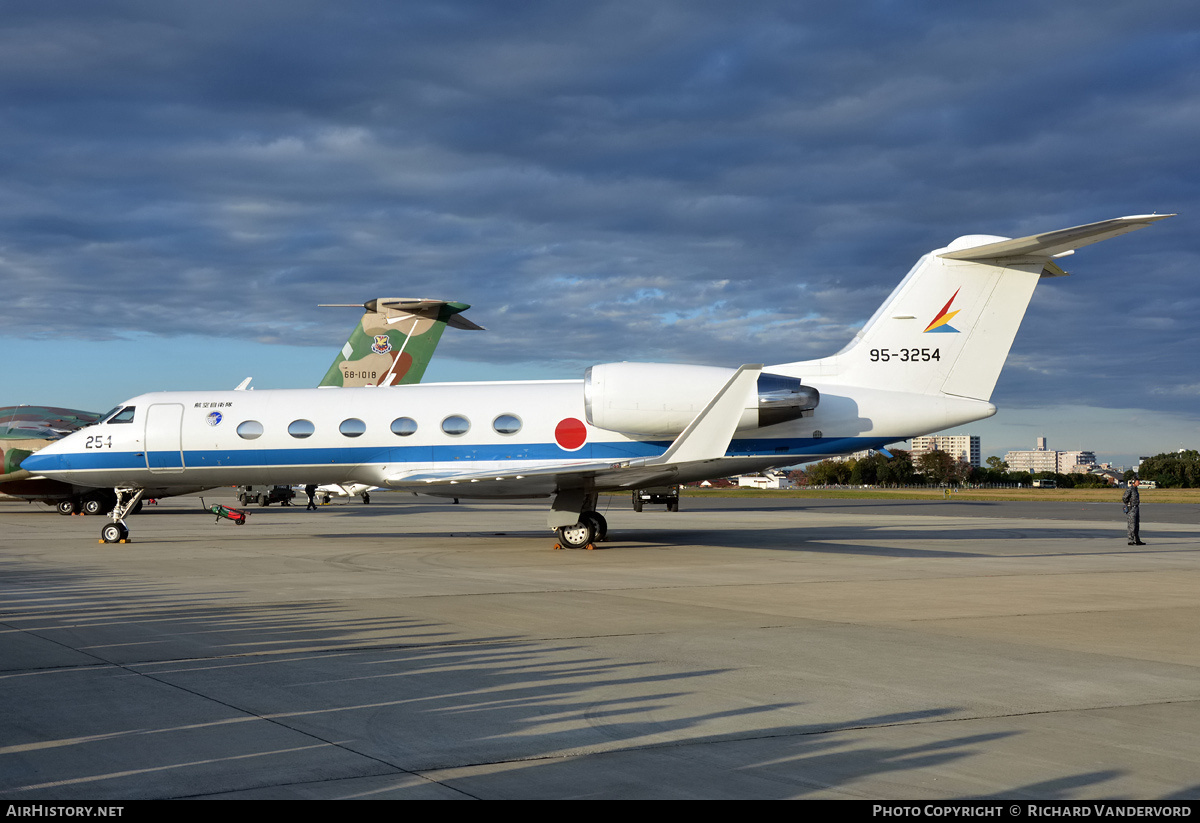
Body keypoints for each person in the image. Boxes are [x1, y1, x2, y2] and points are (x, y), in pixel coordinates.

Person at [1122, 478, 1145, 545]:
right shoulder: (1130, 489)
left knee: (1136, 525)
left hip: (1136, 508)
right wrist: (1128, 504)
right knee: (1132, 525)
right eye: (1138, 481)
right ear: (1133, 482)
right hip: (1131, 508)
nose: (1139, 482)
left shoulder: (1135, 489)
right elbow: (1124, 497)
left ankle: (1137, 540)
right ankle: (1130, 540)